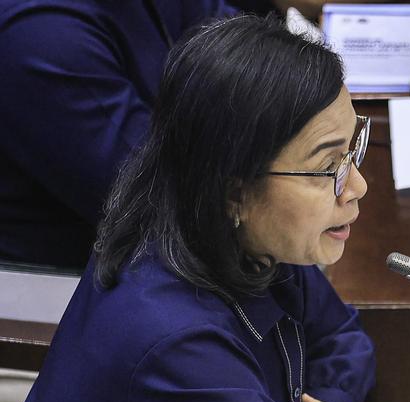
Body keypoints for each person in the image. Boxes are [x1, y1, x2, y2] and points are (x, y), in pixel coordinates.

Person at [0, 14, 377, 402]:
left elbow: (343, 341)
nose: (356, 187)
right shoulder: (177, 347)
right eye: (326, 166)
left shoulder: (227, 228)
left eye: (353, 149)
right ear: (234, 188)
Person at [0, 0, 323, 269]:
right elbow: (159, 195)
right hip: (82, 283)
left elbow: (255, 54)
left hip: (192, 243)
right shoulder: (39, 36)